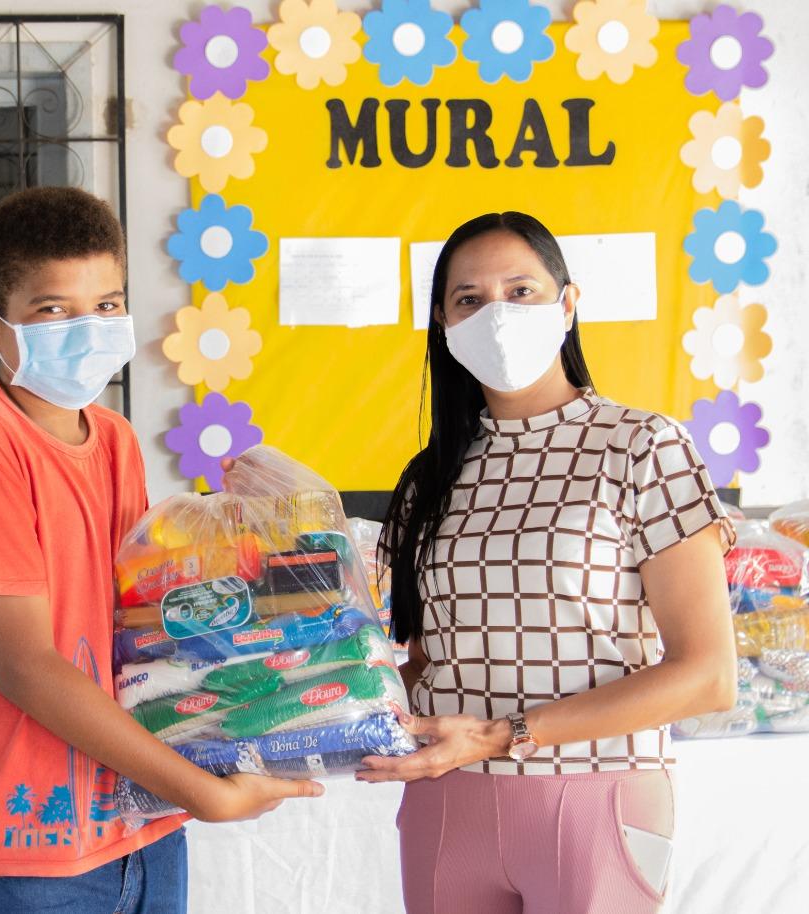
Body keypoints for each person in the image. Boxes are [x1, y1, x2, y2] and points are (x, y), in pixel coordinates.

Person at [0, 186, 322, 914]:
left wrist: (245, 532)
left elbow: (139, 612)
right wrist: (200, 792)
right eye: (53, 310)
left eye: (107, 305)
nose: (88, 327)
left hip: (140, 814)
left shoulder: (114, 438)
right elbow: (28, 669)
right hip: (28, 840)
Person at [359, 212, 737, 914]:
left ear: (568, 305)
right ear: (442, 323)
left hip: (598, 791)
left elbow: (709, 677)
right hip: (448, 800)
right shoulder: (430, 477)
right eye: (468, 299)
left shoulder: (643, 447)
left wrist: (507, 735)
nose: (495, 313)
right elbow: (419, 661)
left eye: (521, 290)